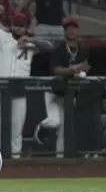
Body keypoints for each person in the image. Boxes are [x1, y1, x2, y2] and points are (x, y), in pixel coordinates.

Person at [0, 13, 52, 158]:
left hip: (19, 91)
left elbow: (50, 47)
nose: (18, 29)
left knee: (16, 130)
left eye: (21, 26)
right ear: (11, 25)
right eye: (16, 25)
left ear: (26, 27)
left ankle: (15, 160)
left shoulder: (30, 44)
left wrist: (30, 38)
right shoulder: (1, 37)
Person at [34, 17, 89, 158]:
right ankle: (41, 127)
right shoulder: (57, 48)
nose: (71, 30)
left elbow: (87, 66)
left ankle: (60, 157)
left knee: (65, 128)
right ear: (64, 31)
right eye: (68, 28)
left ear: (78, 30)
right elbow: (56, 70)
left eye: (74, 27)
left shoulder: (83, 49)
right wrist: (74, 70)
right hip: (54, 91)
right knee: (55, 122)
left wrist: (81, 72)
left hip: (69, 93)